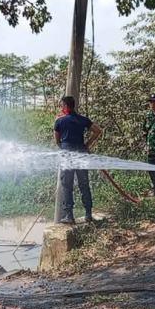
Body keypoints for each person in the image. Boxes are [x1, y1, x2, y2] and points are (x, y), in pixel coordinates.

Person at [54, 96, 103, 224]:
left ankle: (69, 216)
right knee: (84, 184)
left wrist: (64, 147)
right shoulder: (83, 119)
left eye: (62, 105)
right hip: (81, 154)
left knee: (67, 185)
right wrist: (86, 145)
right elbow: (98, 131)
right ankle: (88, 214)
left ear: (65, 106)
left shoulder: (59, 121)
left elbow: (57, 141)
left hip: (67, 155)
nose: (61, 108)